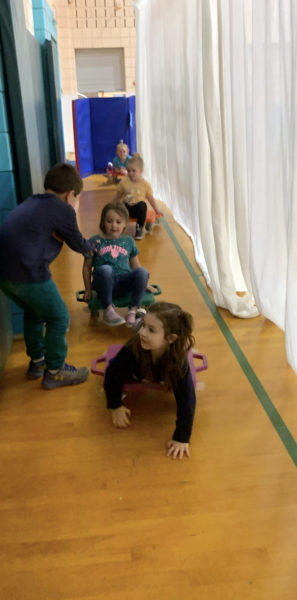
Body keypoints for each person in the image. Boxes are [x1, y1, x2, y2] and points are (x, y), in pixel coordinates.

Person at [0, 163, 96, 389]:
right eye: (76, 198)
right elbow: (78, 243)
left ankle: (37, 362)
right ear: (70, 194)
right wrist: (94, 247)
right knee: (59, 316)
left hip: (4, 273)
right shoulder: (63, 209)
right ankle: (55, 371)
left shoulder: (33, 201)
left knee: (34, 312)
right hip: (28, 271)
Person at [104, 301, 196, 460]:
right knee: (122, 371)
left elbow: (187, 400)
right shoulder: (133, 349)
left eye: (151, 330)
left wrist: (182, 437)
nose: (142, 332)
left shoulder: (178, 362)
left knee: (179, 384)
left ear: (171, 338)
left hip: (161, 372)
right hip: (138, 371)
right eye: (143, 325)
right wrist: (114, 406)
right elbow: (112, 373)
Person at [83, 201, 152, 327]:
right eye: (109, 221)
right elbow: (87, 267)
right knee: (106, 269)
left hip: (124, 283)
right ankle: (108, 310)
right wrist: (88, 289)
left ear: (125, 223)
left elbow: (136, 264)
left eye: (118, 222)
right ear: (103, 222)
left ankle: (132, 311)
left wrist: (144, 282)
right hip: (103, 283)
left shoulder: (128, 241)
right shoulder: (95, 241)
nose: (114, 225)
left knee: (143, 272)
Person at [113, 153, 163, 240]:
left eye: (133, 171)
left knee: (142, 205)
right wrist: (112, 208)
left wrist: (157, 210)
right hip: (127, 209)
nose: (131, 173)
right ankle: (120, 228)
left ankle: (139, 228)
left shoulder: (145, 184)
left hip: (138, 210)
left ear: (140, 170)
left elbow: (151, 199)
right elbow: (117, 197)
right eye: (128, 171)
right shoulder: (124, 182)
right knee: (121, 205)